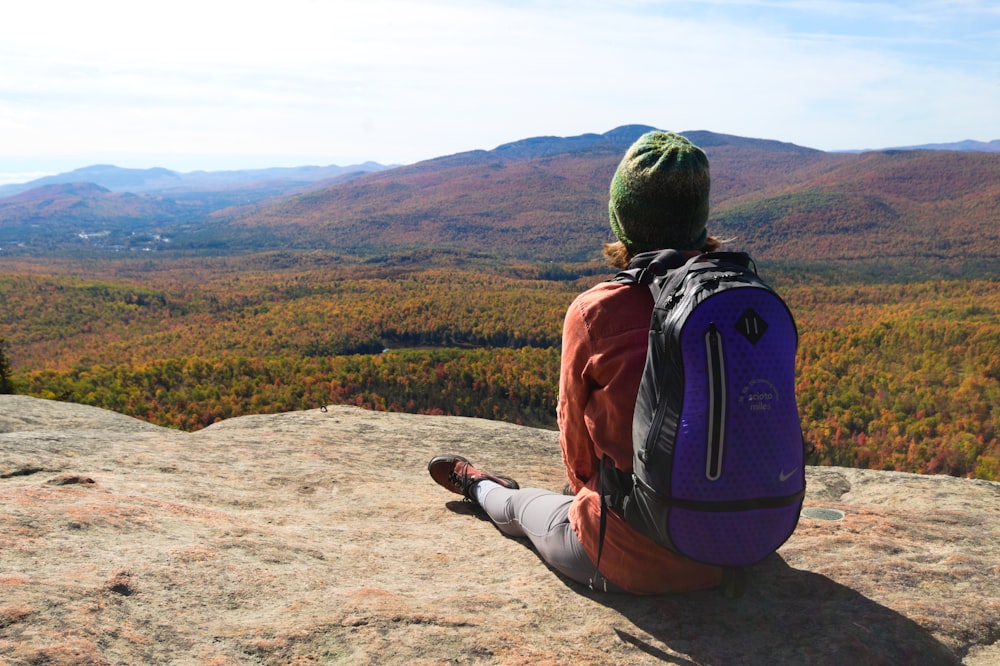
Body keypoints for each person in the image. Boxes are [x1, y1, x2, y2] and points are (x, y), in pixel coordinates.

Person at [428, 131, 724, 594]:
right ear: (698, 216)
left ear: (623, 218)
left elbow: (576, 445)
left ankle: (481, 487)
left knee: (520, 510)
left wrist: (586, 492)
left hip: (633, 557)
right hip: (738, 549)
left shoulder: (596, 312)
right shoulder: (744, 304)